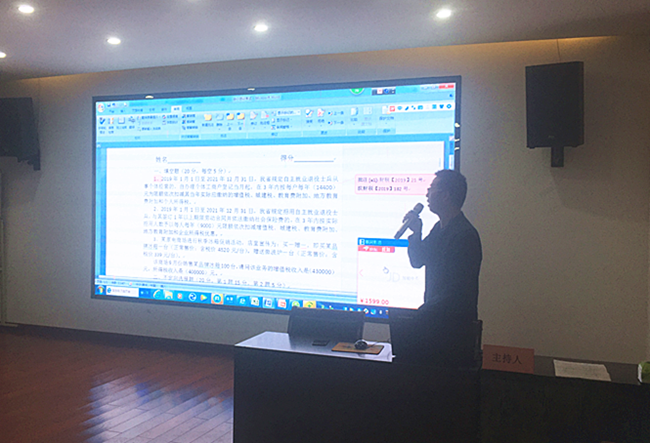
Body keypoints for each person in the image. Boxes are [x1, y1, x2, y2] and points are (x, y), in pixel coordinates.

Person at [403, 169, 482, 322]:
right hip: (435, 320)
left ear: (445, 196)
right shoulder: (438, 229)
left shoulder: (465, 236)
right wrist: (417, 232)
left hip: (453, 324)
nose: (427, 194)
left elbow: (456, 291)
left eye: (431, 189)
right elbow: (417, 261)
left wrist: (420, 314)